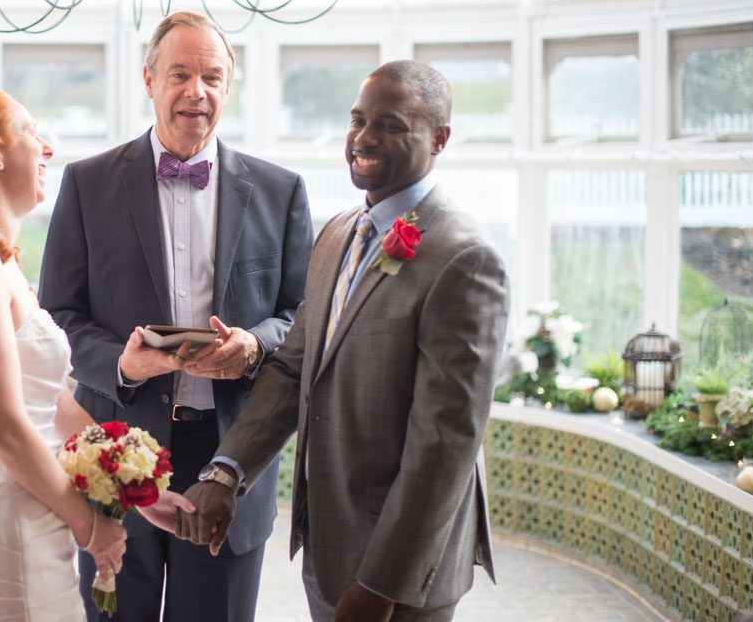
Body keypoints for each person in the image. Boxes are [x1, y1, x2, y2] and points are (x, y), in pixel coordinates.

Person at [179, 61, 510, 622]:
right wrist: (227, 469)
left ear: (440, 138)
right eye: (358, 120)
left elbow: (445, 443)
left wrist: (383, 584)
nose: (364, 138)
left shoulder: (465, 258)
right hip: (329, 542)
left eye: (390, 125)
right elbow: (293, 367)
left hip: (405, 567)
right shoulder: (335, 233)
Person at [39, 12, 314, 621]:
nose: (197, 91)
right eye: (180, 74)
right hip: (119, 447)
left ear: (229, 86)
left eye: (213, 76)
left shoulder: (281, 190)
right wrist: (121, 364)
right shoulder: (86, 184)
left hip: (231, 454)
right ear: (148, 79)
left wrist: (255, 344)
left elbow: (302, 314)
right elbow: (57, 313)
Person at [0, 88, 189, 622]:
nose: (47, 148)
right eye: (31, 133)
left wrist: (135, 489)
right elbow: (5, 429)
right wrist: (93, 529)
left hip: (34, 518)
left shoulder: (0, 263)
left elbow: (48, 402)